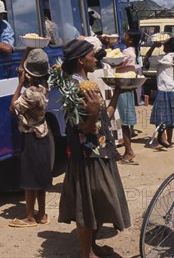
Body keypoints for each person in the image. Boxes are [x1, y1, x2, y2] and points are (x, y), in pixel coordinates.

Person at [57, 39, 131, 258]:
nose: (95, 59)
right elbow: (85, 129)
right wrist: (91, 112)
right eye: (92, 55)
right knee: (86, 205)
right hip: (87, 156)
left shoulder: (89, 83)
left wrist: (117, 93)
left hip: (102, 151)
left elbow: (104, 120)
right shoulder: (73, 87)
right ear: (81, 59)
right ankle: (86, 252)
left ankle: (92, 245)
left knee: (99, 202)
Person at [8, 48, 52, 227]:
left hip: (31, 137)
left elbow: (13, 108)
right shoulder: (44, 87)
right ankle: (41, 215)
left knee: (29, 180)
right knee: (40, 179)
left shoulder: (29, 93)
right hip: (44, 136)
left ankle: (29, 217)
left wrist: (19, 84)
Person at [144, 38, 174, 147]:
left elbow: (146, 58)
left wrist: (153, 46)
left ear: (170, 47)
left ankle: (162, 138)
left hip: (164, 90)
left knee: (159, 117)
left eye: (165, 45)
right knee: (171, 119)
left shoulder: (164, 58)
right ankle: (169, 140)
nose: (163, 47)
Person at [115, 30, 142, 164]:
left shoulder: (127, 53)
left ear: (130, 40)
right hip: (128, 87)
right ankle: (127, 150)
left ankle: (129, 151)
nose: (122, 37)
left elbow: (116, 63)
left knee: (125, 122)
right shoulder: (133, 51)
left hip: (123, 87)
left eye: (125, 36)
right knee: (126, 121)